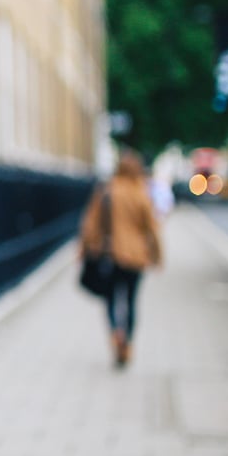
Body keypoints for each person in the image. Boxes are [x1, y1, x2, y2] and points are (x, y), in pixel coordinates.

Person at [79, 149, 163, 367]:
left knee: (110, 299)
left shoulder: (107, 191)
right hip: (136, 257)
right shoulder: (141, 193)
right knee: (131, 301)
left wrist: (84, 248)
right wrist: (157, 256)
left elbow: (90, 224)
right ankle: (128, 341)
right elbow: (153, 229)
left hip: (110, 254)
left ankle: (116, 332)